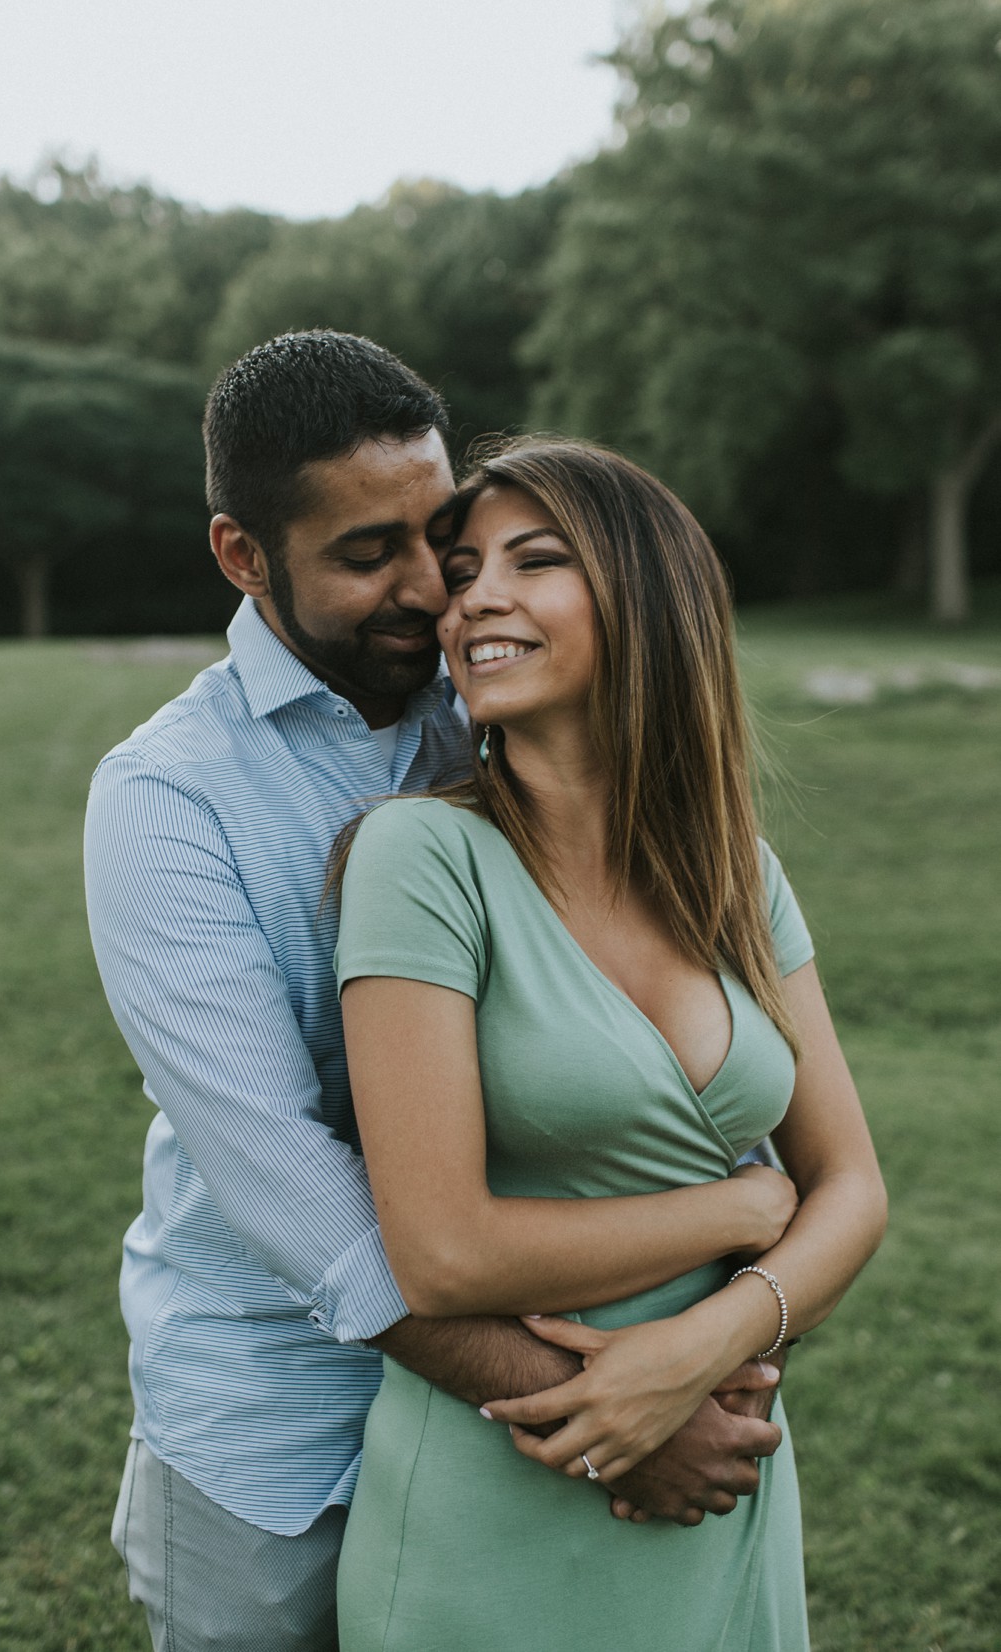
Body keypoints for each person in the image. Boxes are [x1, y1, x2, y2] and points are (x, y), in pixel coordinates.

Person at [85, 333, 794, 1652]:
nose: (434, 592)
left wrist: (704, 1338)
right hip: (280, 1428)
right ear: (244, 556)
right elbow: (288, 1183)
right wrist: (604, 1417)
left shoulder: (492, 710)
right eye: (369, 556)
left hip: (550, 1400)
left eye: (447, 542)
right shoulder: (165, 799)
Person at [333, 438, 888, 1650]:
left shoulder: (738, 874)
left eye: (534, 561)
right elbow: (439, 1251)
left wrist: (705, 1342)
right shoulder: (419, 859)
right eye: (464, 567)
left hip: (721, 1470)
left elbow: (853, 1188)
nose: (470, 596)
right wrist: (740, 1215)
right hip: (494, 1510)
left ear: (644, 597)